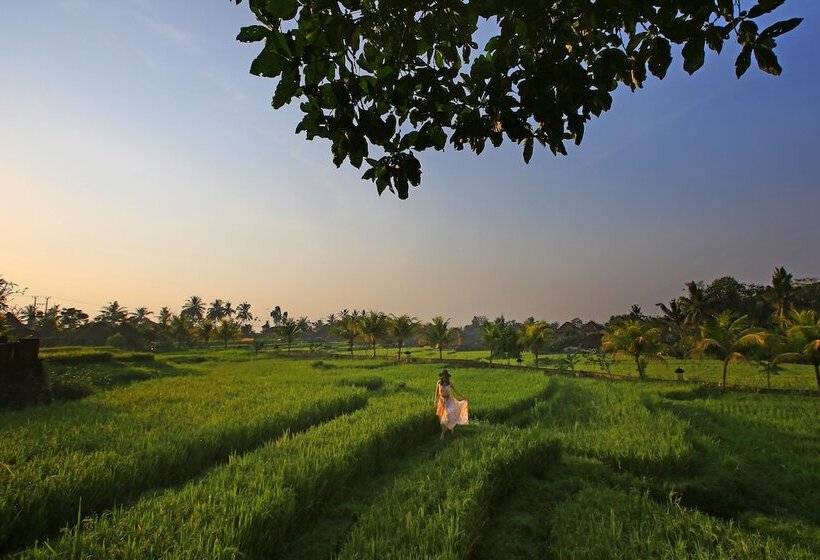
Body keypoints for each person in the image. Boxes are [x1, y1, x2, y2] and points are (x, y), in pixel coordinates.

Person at [434, 369, 468, 439]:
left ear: (448, 377)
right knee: (441, 418)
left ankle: (443, 433)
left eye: (446, 376)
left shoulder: (450, 383)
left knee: (448, 415)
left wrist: (463, 396)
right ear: (442, 377)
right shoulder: (439, 383)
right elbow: (436, 393)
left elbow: (456, 391)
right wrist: (435, 400)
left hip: (449, 401)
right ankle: (450, 428)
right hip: (441, 402)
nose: (445, 378)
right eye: (444, 376)